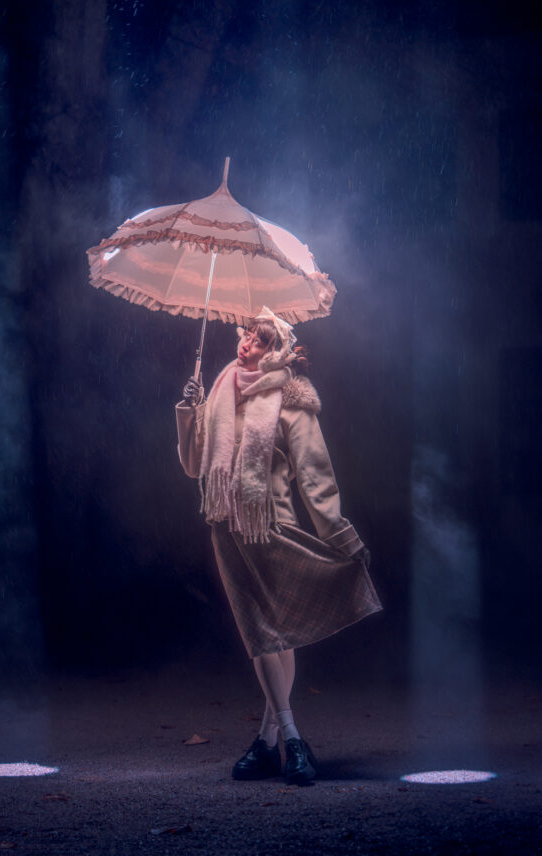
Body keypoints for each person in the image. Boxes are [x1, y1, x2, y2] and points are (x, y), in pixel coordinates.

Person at [176, 306, 382, 785]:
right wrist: (189, 412)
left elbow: (315, 476)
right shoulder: (221, 391)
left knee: (274, 633)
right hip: (227, 529)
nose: (247, 342)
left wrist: (340, 536)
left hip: (273, 529)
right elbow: (193, 466)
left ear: (279, 350)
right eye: (247, 333)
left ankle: (280, 738)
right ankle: (280, 739)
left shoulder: (292, 399)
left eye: (260, 339)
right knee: (263, 633)